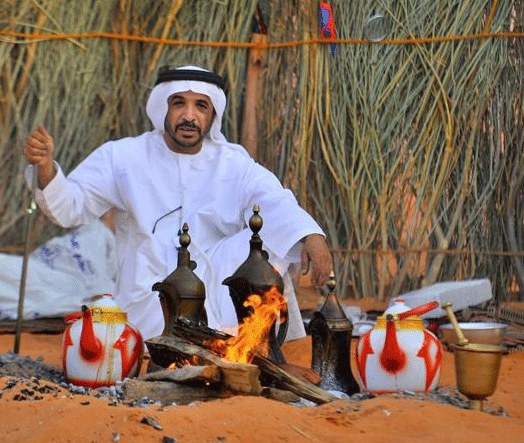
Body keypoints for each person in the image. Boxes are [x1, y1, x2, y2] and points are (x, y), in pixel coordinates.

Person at [23, 65, 332, 340]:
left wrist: (311, 236)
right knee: (166, 332)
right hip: (151, 297)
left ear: (212, 115)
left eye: (201, 106)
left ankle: (248, 340)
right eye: (178, 103)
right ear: (163, 109)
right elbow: (68, 208)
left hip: (217, 286)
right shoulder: (123, 157)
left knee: (268, 241)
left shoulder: (232, 163)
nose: (189, 115)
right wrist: (46, 168)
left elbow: (274, 200)